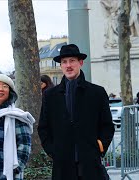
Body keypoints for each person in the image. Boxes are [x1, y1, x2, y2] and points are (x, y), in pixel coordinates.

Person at [38, 44, 115, 180]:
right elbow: (44, 127)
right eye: (64, 62)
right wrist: (53, 150)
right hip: (63, 164)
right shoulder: (50, 95)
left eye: (72, 60)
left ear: (80, 63)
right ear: (60, 65)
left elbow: (107, 125)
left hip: (90, 162)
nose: (68, 65)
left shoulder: (97, 92)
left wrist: (100, 146)